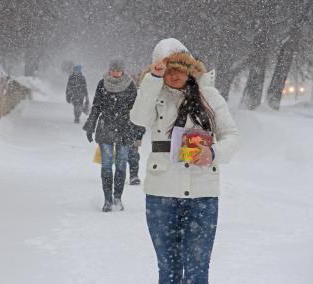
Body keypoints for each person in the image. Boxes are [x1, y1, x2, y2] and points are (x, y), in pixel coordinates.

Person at [130, 38, 240, 283]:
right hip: (162, 195)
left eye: (178, 67)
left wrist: (213, 153)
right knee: (168, 269)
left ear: (189, 67)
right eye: (167, 69)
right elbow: (138, 119)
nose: (173, 74)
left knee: (197, 270)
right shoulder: (154, 95)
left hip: (202, 195)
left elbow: (231, 136)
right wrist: (151, 80)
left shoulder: (209, 96)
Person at [83, 58, 141, 212]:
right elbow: (96, 106)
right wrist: (90, 126)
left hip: (124, 129)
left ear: (123, 70)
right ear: (109, 70)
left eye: (118, 70)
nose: (116, 73)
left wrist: (138, 132)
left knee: (121, 165)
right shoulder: (102, 84)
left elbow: (137, 110)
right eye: (113, 70)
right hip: (106, 127)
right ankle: (107, 200)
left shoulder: (130, 86)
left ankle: (118, 198)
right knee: (107, 165)